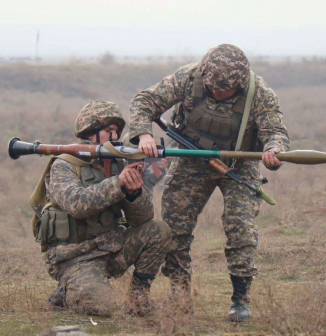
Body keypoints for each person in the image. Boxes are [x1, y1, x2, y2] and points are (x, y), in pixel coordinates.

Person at [128, 44, 290, 321]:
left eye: (221, 91)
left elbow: (275, 131)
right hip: (191, 159)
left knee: (241, 228)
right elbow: (144, 101)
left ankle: (241, 301)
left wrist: (274, 150)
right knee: (174, 229)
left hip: (239, 163)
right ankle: (179, 298)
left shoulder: (260, 93)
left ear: (239, 85)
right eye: (210, 87)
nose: (214, 93)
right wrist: (143, 135)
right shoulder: (188, 77)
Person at [41, 100, 171, 317]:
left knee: (158, 230)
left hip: (110, 249)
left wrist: (133, 193)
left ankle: (138, 301)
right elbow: (77, 204)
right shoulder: (64, 165)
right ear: (90, 133)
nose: (115, 137)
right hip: (74, 257)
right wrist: (117, 183)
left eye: (117, 132)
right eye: (109, 131)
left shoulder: (117, 164)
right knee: (98, 308)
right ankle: (66, 290)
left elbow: (144, 218)